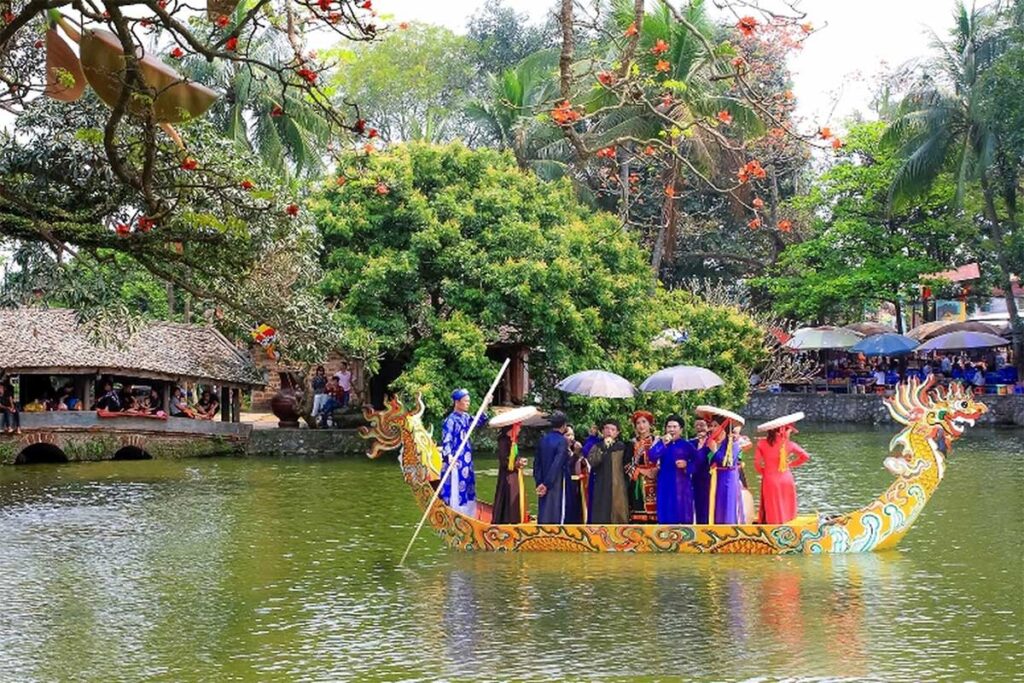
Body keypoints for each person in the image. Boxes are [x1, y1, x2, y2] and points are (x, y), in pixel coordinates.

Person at [755, 412, 811, 524]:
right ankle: (789, 527)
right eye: (789, 430)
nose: (790, 432)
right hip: (786, 478)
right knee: (786, 505)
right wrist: (791, 464)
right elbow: (805, 456)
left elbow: (757, 464)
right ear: (782, 430)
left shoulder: (761, 443)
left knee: (772, 505)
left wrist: (765, 472)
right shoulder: (789, 444)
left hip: (770, 479)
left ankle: (772, 527)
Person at [440, 388, 486, 518]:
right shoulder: (450, 420)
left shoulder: (466, 417)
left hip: (467, 460)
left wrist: (485, 405)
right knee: (457, 486)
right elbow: (446, 440)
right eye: (465, 401)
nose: (468, 403)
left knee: (468, 484)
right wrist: (449, 456)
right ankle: (456, 513)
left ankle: (469, 514)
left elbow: (479, 422)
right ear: (457, 402)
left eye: (468, 401)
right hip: (457, 460)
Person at [647, 414, 699, 524]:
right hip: (665, 482)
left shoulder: (687, 445)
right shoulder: (661, 443)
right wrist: (663, 444)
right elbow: (652, 456)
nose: (671, 429)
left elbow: (697, 463)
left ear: (681, 429)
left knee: (683, 511)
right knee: (665, 511)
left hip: (682, 484)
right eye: (669, 427)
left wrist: (686, 465)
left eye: (675, 427)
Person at [703, 407, 746, 525]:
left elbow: (727, 463)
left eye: (715, 425)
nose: (712, 428)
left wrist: (714, 450)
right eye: (711, 425)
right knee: (718, 504)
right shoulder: (717, 442)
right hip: (717, 478)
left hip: (728, 478)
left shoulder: (734, 442)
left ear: (723, 426)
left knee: (727, 504)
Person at [587, 419, 632, 524]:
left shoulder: (622, 447)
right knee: (601, 514)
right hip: (601, 485)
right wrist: (603, 449)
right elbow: (592, 461)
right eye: (606, 428)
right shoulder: (597, 446)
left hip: (618, 486)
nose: (609, 431)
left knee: (619, 514)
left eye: (612, 429)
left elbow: (628, 465)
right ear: (602, 431)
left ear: (617, 433)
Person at [492, 415, 530, 525]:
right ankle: (507, 520)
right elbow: (504, 461)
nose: (520, 429)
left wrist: (519, 460)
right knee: (508, 495)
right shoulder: (503, 441)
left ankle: (516, 518)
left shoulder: (513, 440)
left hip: (514, 473)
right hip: (506, 474)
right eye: (518, 427)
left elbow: (514, 456)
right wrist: (516, 463)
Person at [534, 411, 570, 524]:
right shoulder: (563, 441)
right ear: (564, 425)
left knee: (544, 508)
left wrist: (539, 482)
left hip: (542, 479)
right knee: (556, 508)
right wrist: (547, 484)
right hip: (556, 481)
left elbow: (537, 463)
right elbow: (557, 464)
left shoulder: (543, 439)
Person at [628, 410, 658, 523]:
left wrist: (655, 470)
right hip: (637, 483)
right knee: (638, 515)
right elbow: (626, 464)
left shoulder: (657, 441)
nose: (641, 425)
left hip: (655, 482)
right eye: (638, 423)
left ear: (650, 424)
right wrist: (638, 470)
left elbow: (662, 460)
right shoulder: (631, 443)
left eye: (644, 422)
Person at [563, 425, 589, 524]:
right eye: (568, 435)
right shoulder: (561, 451)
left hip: (577, 484)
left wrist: (580, 455)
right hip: (566, 484)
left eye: (572, 435)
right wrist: (575, 455)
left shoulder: (572, 450)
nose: (571, 438)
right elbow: (567, 466)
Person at [689, 418, 713, 524]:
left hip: (709, 478)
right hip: (695, 478)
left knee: (708, 506)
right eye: (697, 425)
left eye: (702, 425)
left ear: (708, 427)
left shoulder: (712, 443)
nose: (699, 428)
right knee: (698, 505)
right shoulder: (691, 443)